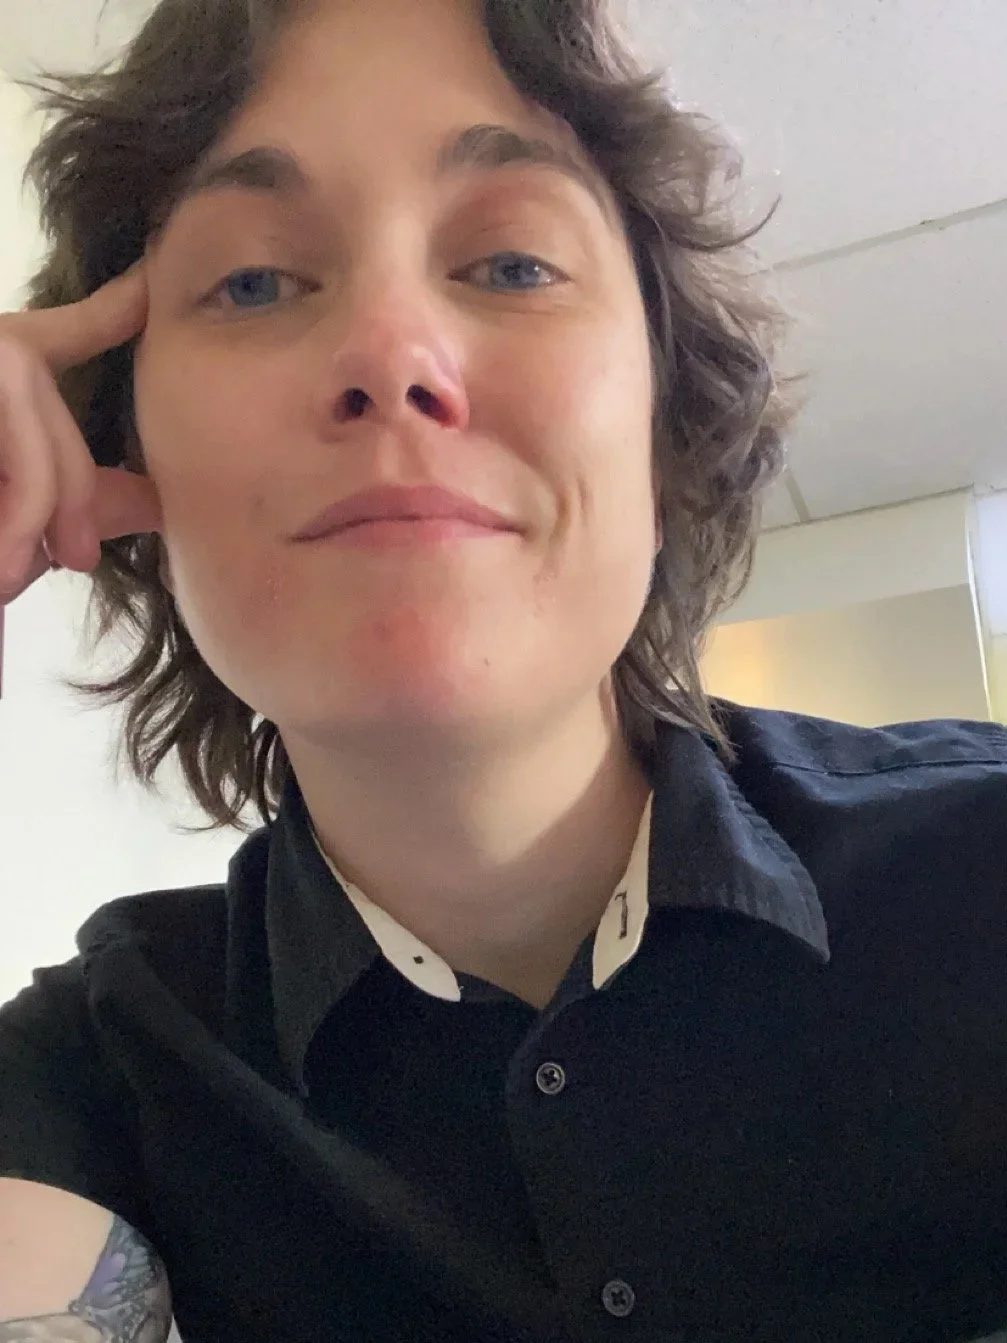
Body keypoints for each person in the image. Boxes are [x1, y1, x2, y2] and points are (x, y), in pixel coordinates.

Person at [2, 0, 1007, 1339]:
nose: (390, 358)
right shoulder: (85, 1081)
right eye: (252, 281)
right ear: (123, 458)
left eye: (513, 264)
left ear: (663, 431)